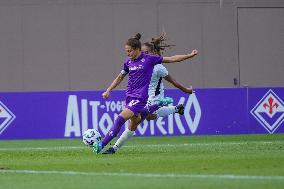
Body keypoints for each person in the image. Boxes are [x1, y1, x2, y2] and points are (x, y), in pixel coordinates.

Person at [94, 33, 198, 154]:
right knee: (135, 123)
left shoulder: (150, 60)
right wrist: (108, 90)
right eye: (126, 51)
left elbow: (172, 59)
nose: (127, 54)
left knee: (119, 119)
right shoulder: (128, 62)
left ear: (137, 50)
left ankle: (101, 145)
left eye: (129, 51)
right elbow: (120, 77)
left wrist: (189, 55)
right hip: (129, 97)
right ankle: (158, 104)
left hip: (139, 98)